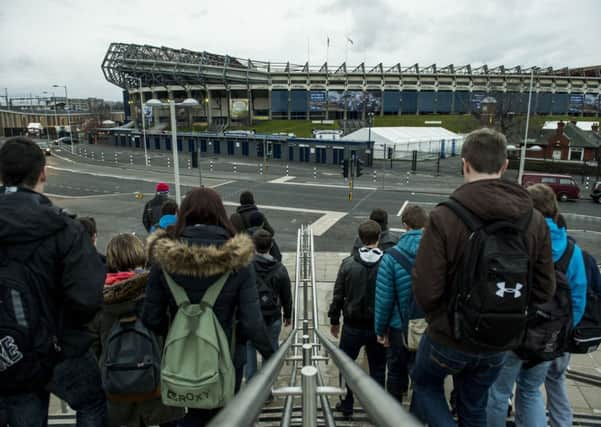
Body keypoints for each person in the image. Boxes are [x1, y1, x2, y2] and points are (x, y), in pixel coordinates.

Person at [410, 128, 556, 426]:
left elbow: (426, 289)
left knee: (425, 385)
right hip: (500, 340)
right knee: (474, 404)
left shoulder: (444, 216)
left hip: (449, 335)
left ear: (464, 163)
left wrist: (444, 317)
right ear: (504, 166)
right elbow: (545, 289)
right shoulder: (534, 220)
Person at [142, 187, 274, 427]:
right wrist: (270, 354)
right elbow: (252, 322)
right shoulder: (239, 260)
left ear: (185, 213)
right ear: (220, 214)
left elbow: (151, 317)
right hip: (226, 356)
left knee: (186, 416)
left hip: (179, 357)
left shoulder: (163, 258)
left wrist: (177, 329)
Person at [0, 137, 107, 427]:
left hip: (6, 347)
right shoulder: (64, 228)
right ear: (43, 173)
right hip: (57, 347)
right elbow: (87, 296)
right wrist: (63, 333)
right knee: (93, 402)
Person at [487, 183, 586, 427]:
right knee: (531, 391)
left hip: (513, 331)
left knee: (499, 393)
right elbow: (578, 297)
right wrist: (563, 331)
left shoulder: (517, 242)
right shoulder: (571, 251)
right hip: (547, 336)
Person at [89, 233, 183, 427]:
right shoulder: (156, 291)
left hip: (117, 389)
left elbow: (93, 347)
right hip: (158, 387)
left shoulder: (97, 298)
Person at [328, 220, 386, 418]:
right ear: (379, 238)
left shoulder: (348, 263)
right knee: (378, 369)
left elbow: (338, 295)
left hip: (352, 325)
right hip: (377, 325)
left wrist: (334, 319)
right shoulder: (386, 263)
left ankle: (346, 404)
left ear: (360, 239)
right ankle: (377, 408)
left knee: (347, 367)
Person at [374, 205, 428, 403]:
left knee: (395, 371)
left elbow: (384, 299)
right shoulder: (438, 254)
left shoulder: (391, 257)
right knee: (423, 377)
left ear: (405, 226)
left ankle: (394, 413)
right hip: (428, 326)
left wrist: (380, 330)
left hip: (398, 327)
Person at [246, 229, 292, 381]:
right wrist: (288, 314)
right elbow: (286, 295)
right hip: (272, 316)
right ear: (271, 245)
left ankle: (251, 384)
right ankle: (267, 386)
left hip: (251, 316)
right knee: (271, 349)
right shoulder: (280, 269)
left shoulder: (246, 267)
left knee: (250, 348)